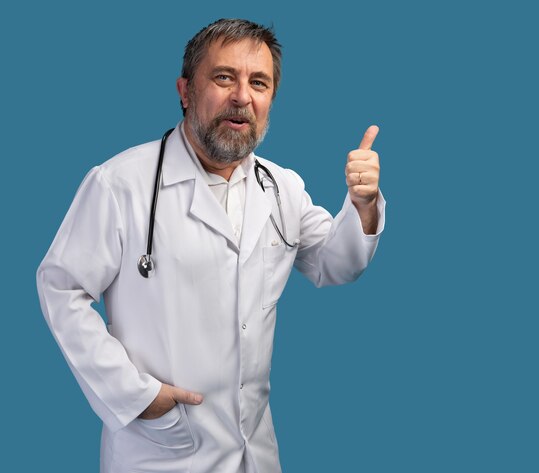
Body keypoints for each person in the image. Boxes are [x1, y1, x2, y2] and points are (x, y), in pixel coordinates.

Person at [36, 18, 385, 473]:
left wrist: (363, 205)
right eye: (224, 77)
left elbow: (336, 264)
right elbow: (60, 287)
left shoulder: (282, 187)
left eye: (258, 82)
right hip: (161, 452)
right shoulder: (119, 184)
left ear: (270, 100)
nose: (242, 96)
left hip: (254, 451)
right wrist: (135, 395)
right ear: (185, 90)